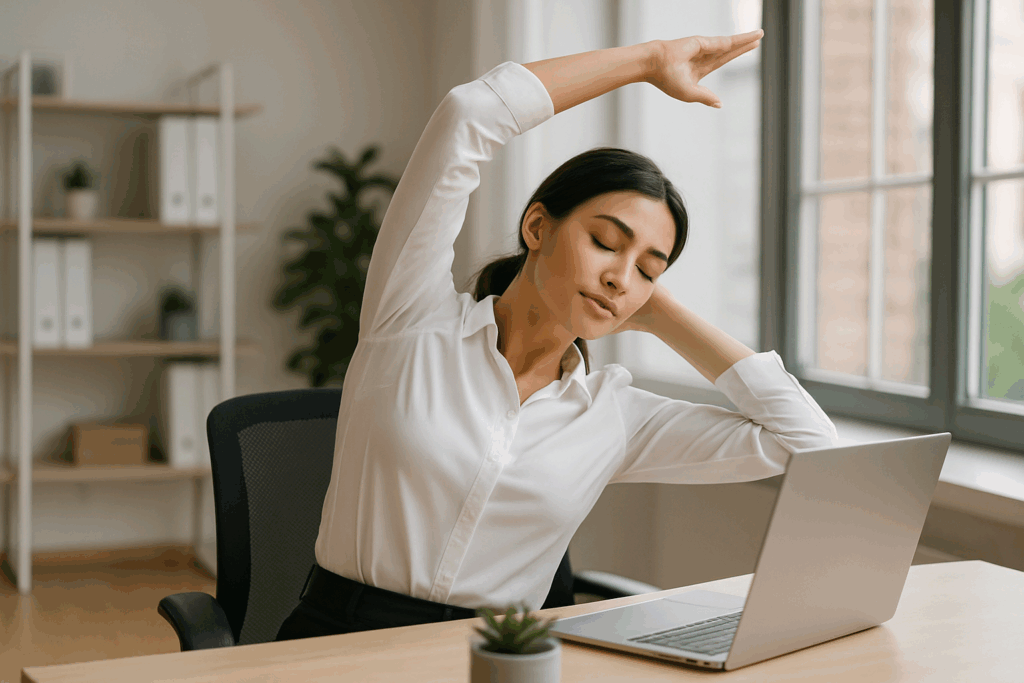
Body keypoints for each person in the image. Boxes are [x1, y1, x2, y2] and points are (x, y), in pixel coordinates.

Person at [276, 29, 838, 642]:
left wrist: (658, 312)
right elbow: (470, 113)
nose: (622, 278)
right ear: (537, 226)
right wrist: (647, 62)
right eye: (605, 242)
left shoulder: (613, 416)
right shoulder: (410, 320)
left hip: (502, 655)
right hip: (341, 642)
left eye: (650, 269)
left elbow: (810, 447)